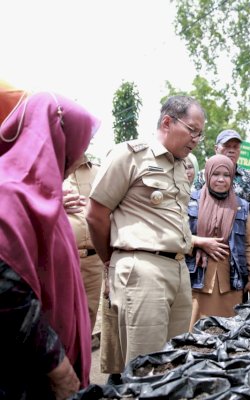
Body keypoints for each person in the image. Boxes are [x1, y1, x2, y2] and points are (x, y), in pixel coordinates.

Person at [87, 95, 204, 369]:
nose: (196, 139)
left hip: (178, 269)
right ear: (167, 121)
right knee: (145, 367)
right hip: (142, 269)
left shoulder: (179, 166)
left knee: (175, 362)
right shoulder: (130, 155)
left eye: (200, 133)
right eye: (192, 130)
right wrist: (110, 258)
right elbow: (96, 214)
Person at [0, 90, 99, 399]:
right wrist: (59, 368)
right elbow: (8, 293)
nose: (78, 156)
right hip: (27, 376)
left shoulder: (44, 194)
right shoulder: (10, 195)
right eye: (76, 146)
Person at [187, 155, 250, 326]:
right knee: (195, 335)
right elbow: (177, 235)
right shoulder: (190, 202)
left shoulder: (241, 206)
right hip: (197, 281)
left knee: (229, 334)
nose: (221, 179)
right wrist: (199, 242)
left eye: (226, 175)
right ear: (207, 175)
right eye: (216, 174)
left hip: (231, 281)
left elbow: (249, 244)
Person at [63, 156, 103, 330]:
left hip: (94, 263)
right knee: (61, 319)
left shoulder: (100, 172)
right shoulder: (47, 167)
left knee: (88, 318)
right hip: (62, 259)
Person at [195, 129, 250, 230]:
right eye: (227, 146)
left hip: (240, 238)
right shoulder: (202, 176)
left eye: (235, 147)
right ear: (216, 149)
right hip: (206, 236)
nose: (231, 150)